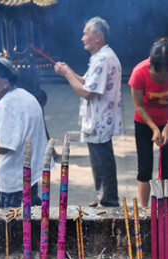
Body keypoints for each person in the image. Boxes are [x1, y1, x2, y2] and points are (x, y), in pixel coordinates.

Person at [54, 17, 121, 207]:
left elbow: (87, 92)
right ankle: (103, 197)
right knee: (99, 161)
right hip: (98, 119)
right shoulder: (100, 57)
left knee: (103, 161)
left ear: (98, 37)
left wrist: (67, 74)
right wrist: (68, 70)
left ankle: (109, 200)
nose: (82, 38)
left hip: (100, 120)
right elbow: (86, 81)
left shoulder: (103, 58)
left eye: (86, 34)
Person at [0, 57, 52, 208]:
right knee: (31, 213)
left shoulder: (6, 104)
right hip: (31, 169)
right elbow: (22, 132)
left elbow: (9, 146)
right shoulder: (24, 95)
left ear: (5, 82)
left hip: (14, 176)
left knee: (9, 221)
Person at [129, 38, 168, 207]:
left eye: (166, 71)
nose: (163, 75)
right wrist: (154, 128)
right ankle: (145, 209)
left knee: (167, 169)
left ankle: (163, 207)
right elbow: (138, 105)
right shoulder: (139, 72)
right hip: (144, 122)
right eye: (158, 71)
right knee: (144, 169)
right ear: (151, 64)